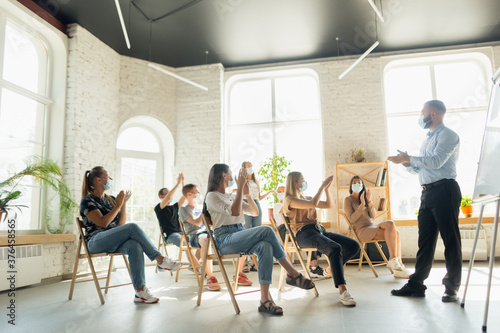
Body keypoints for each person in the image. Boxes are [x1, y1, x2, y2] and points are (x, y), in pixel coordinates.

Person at [204, 163, 315, 315]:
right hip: (225, 239)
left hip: (239, 234)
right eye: (231, 173)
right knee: (267, 229)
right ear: (224, 176)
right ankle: (292, 273)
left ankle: (264, 300)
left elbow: (255, 212)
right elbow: (235, 211)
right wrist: (239, 191)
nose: (234, 176)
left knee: (265, 246)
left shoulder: (230, 196)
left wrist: (248, 195)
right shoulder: (212, 196)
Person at [388, 99, 462, 302]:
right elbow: (421, 167)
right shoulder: (428, 139)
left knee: (450, 240)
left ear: (433, 114)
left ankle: (452, 287)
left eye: (423, 113)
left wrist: (410, 158)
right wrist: (406, 163)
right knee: (425, 241)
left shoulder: (448, 135)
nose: (421, 117)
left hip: (445, 190)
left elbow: (437, 162)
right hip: (428, 192)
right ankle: (416, 285)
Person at [80, 166, 182, 304]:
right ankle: (161, 260)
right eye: (108, 177)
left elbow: (120, 225)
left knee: (135, 245)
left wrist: (123, 205)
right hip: (95, 242)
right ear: (99, 180)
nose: (110, 179)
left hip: (112, 240)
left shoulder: (111, 199)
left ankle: (140, 292)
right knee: (132, 227)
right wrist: (118, 206)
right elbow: (103, 223)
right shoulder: (87, 201)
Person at [284, 171, 360, 306]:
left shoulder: (305, 197)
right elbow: (314, 203)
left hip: (319, 230)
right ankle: (343, 290)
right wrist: (321, 187)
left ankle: (330, 270)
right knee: (334, 248)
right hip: (304, 234)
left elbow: (328, 205)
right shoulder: (290, 200)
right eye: (302, 180)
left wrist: (326, 189)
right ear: (295, 183)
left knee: (354, 246)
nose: (304, 182)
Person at [343, 175, 410, 279]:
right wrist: (362, 205)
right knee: (395, 233)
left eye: (359, 183)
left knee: (392, 226)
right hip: (361, 231)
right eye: (354, 183)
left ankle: (397, 263)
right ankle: (395, 262)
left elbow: (373, 216)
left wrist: (368, 201)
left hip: (371, 226)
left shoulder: (364, 198)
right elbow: (351, 219)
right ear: (351, 186)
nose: (357, 185)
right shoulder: (348, 200)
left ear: (362, 185)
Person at [273, 186, 328, 278]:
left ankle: (313, 267)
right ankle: (314, 267)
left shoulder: (293, 203)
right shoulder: (278, 205)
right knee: (307, 233)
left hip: (293, 229)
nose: (282, 193)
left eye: (284, 191)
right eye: (279, 191)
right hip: (284, 231)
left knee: (317, 233)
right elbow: (287, 209)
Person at [179, 183, 221, 291]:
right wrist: (204, 210)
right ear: (189, 194)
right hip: (195, 235)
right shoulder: (183, 209)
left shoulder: (200, 207)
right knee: (205, 240)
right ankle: (211, 277)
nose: (199, 193)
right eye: (196, 191)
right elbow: (196, 223)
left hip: (209, 232)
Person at [241, 161, 275, 273]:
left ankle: (254, 263)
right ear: (244, 169)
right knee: (246, 231)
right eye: (248, 166)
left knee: (257, 233)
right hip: (246, 203)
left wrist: (269, 192)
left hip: (256, 204)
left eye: (251, 166)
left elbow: (258, 197)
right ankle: (244, 262)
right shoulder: (242, 181)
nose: (251, 168)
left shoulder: (255, 181)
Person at [154, 173, 186, 247]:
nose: (170, 195)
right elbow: (168, 197)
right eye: (167, 193)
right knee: (184, 243)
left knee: (195, 241)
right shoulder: (159, 208)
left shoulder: (175, 207)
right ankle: (192, 259)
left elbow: (185, 196)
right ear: (161, 196)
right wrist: (178, 183)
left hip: (180, 232)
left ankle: (194, 259)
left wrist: (182, 182)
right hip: (170, 235)